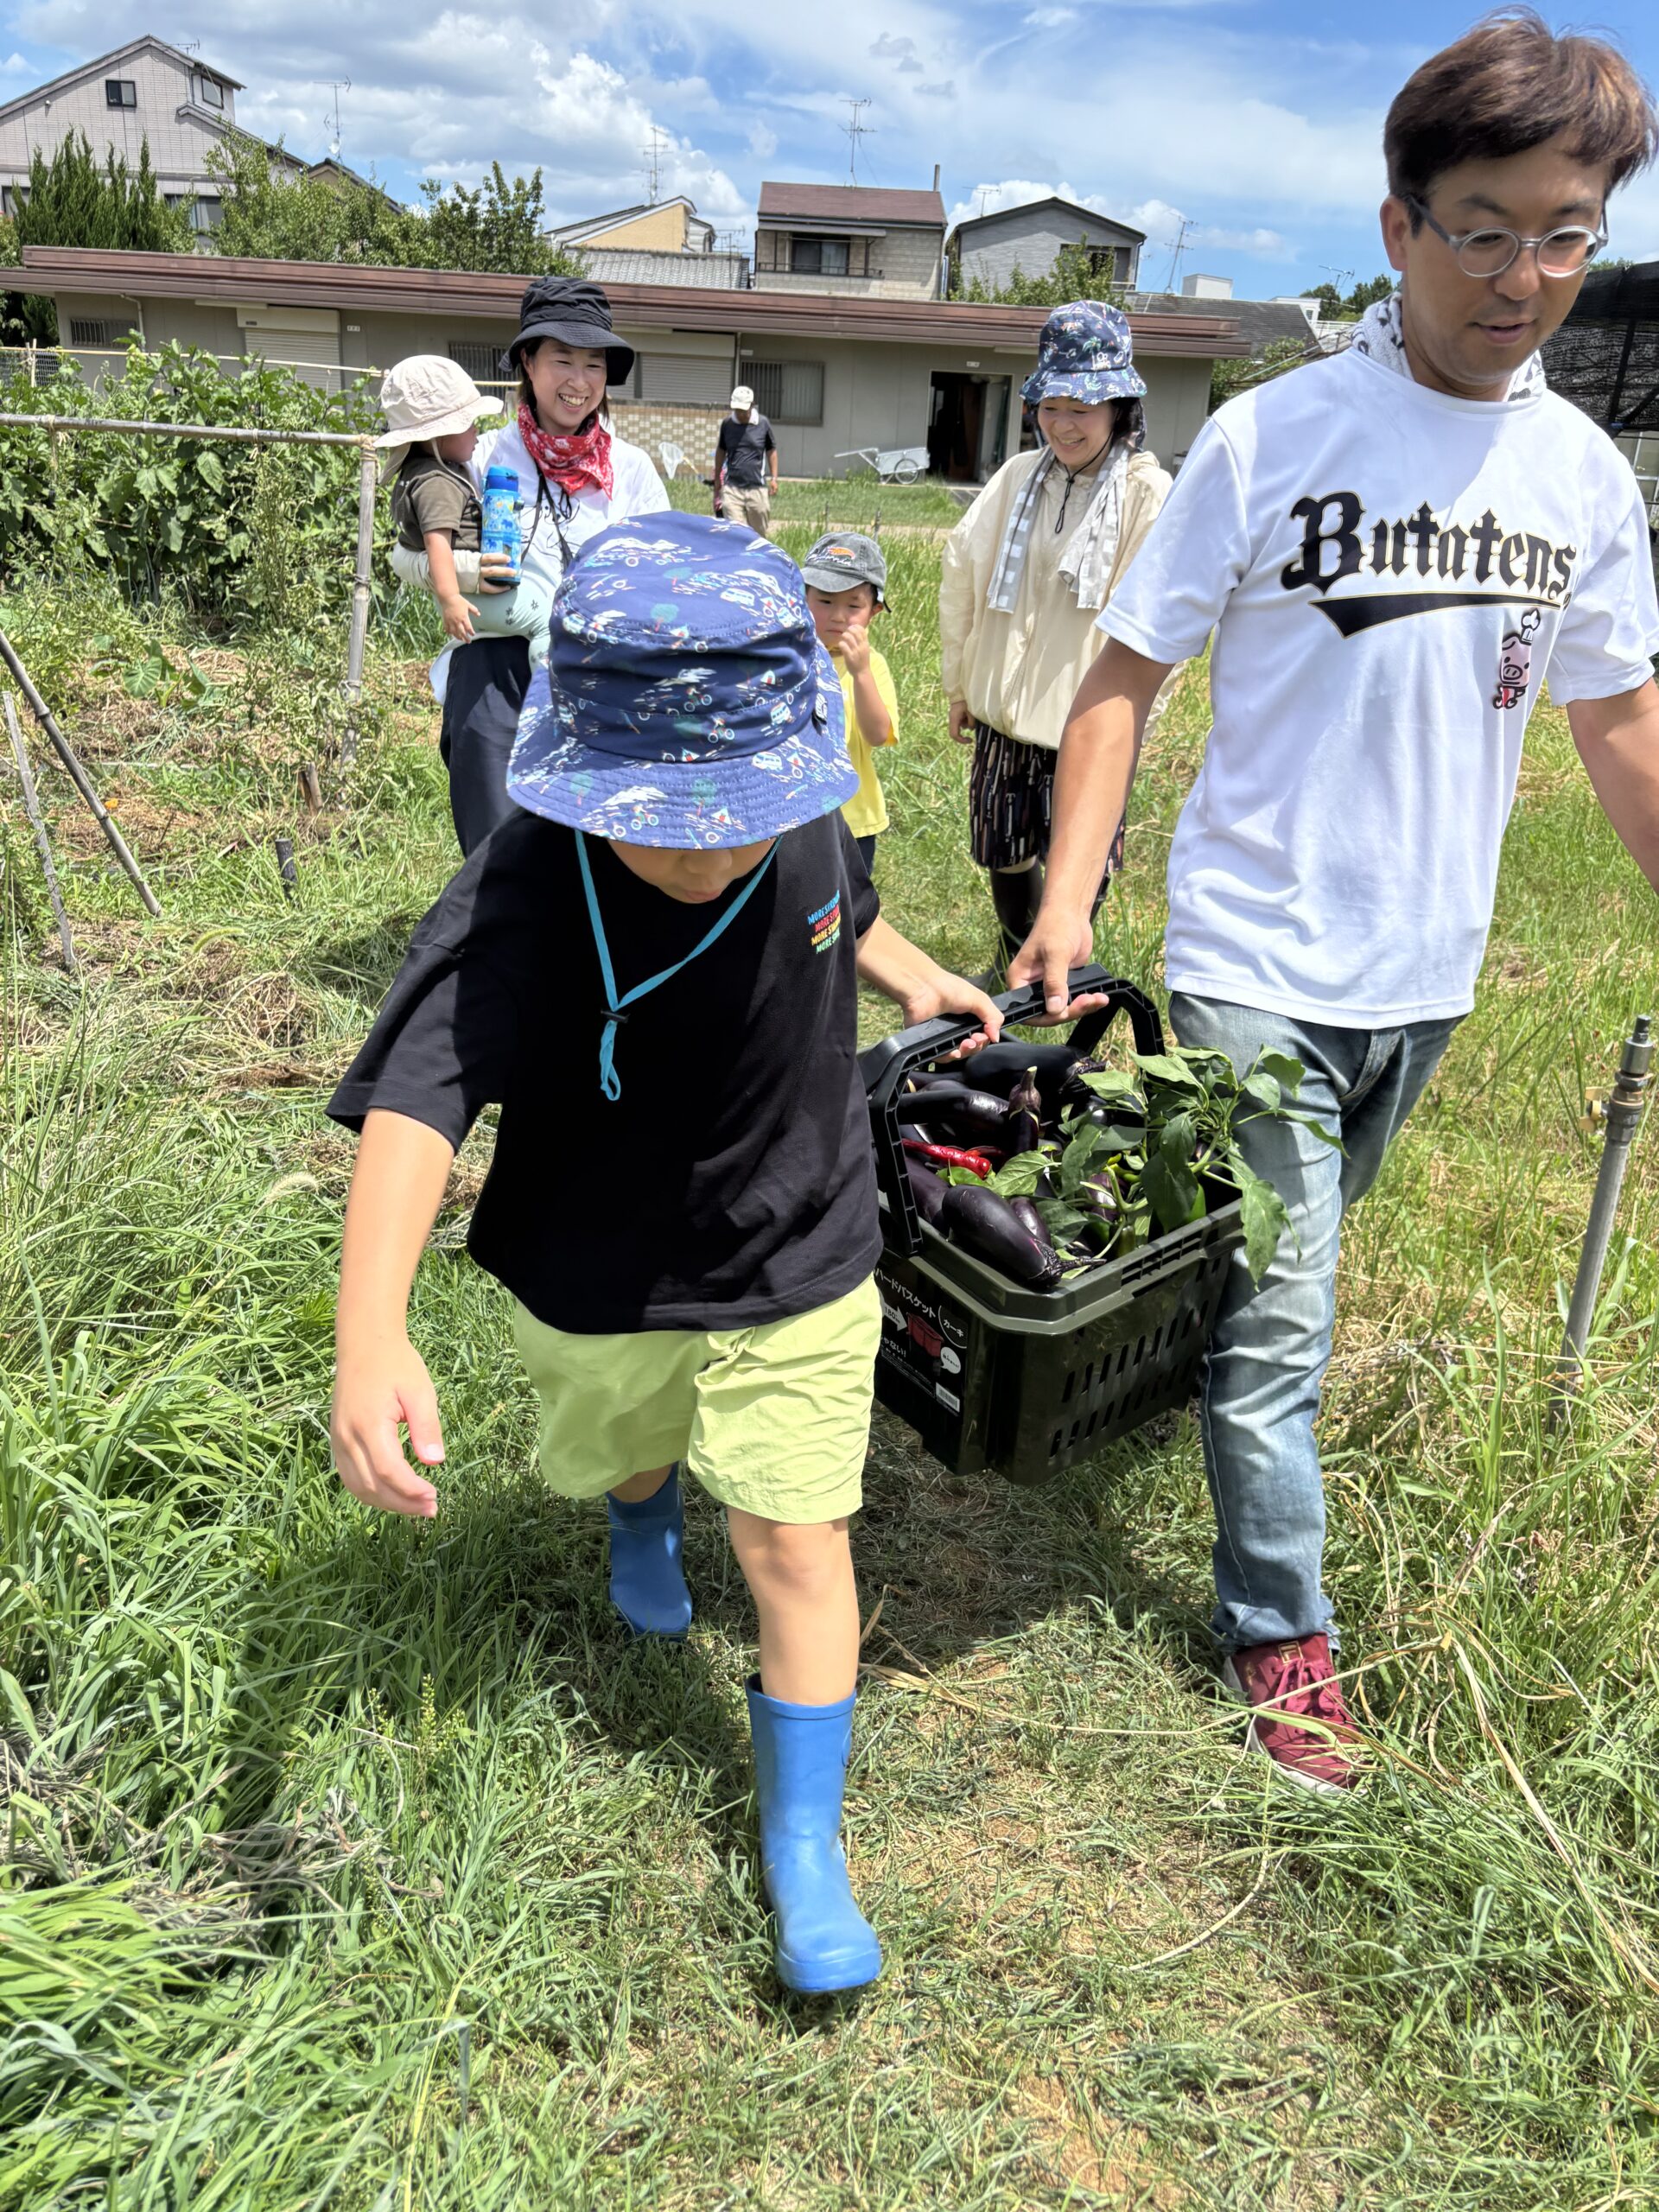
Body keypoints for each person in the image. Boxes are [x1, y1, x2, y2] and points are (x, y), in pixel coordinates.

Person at [1011, 11, 1659, 1795]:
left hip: (1426, 969)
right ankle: (1279, 1631)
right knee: (1293, 1308)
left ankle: (1155, 1350)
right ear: (1397, 226)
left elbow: (1616, 719)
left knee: (1267, 1273)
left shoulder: (1581, 478)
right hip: (1257, 951)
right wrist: (1067, 900)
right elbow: (1125, 676)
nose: (1523, 277)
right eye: (1482, 230)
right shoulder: (1272, 439)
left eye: (1566, 235)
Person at [327, 511, 1001, 1992]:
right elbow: (422, 1095)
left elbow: (849, 910)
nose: (706, 846)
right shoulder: (525, 880)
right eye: (664, 816)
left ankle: (805, 1841)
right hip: (601, 1260)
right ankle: (642, 1515)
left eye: (736, 811)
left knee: (796, 1537)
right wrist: (369, 1330)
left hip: (800, 1231)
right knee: (630, 1446)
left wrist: (919, 976)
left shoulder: (805, 809)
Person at [391, 278, 668, 855]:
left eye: (594, 364)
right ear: (528, 362)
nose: (579, 381)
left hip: (599, 669)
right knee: (499, 844)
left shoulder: (632, 470)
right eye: (562, 359)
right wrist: (471, 574)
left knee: (593, 848)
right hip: (496, 666)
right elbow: (406, 557)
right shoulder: (481, 455)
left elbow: (659, 578)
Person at [939, 302, 1170, 976]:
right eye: (1052, 406)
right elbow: (962, 574)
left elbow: (1157, 624)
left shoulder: (1146, 494)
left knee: (1079, 861)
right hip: (1004, 718)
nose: (1064, 424)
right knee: (1002, 847)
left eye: (1083, 408)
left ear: (1118, 407)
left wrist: (1136, 721)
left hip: (1085, 725)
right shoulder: (1018, 477)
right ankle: (1013, 961)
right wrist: (960, 686)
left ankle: (1057, 979)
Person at [377, 356, 553, 661]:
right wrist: (450, 599)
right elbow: (437, 545)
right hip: (467, 595)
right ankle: (547, 687)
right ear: (439, 435)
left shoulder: (423, 472)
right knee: (549, 623)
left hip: (466, 591)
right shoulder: (437, 484)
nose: (476, 430)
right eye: (468, 423)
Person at [800, 531, 897, 874]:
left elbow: (878, 735)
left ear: (874, 611)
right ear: (802, 598)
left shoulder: (874, 667)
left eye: (853, 606)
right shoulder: (789, 659)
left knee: (850, 901)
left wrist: (861, 673)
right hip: (797, 812)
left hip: (854, 820)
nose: (838, 616)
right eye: (825, 602)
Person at [715, 385, 779, 536]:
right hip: (732, 488)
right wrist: (717, 477)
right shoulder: (727, 424)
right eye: (737, 410)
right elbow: (721, 450)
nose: (740, 414)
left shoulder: (762, 423)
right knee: (736, 533)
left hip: (757, 487)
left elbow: (771, 451)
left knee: (759, 534)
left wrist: (774, 478)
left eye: (743, 410)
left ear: (752, 405)